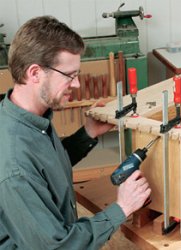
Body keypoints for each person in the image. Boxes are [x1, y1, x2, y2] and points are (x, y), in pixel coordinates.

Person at [0, 16, 151, 249]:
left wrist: (87, 133)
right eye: (69, 75)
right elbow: (58, 246)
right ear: (35, 73)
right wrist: (122, 208)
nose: (77, 84)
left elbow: (44, 170)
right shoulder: (14, 163)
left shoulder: (27, 116)